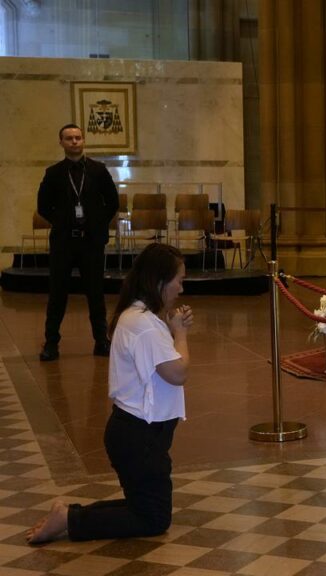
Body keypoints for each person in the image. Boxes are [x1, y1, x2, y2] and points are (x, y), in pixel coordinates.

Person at [26, 243, 192, 545]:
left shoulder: (140, 317)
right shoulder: (143, 324)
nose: (181, 287)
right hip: (138, 436)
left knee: (145, 509)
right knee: (153, 518)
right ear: (159, 281)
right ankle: (70, 519)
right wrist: (180, 334)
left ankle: (69, 515)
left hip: (135, 434)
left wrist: (171, 330)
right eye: (178, 280)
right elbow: (177, 372)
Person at [37, 123, 119, 361]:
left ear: (83, 141)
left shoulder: (99, 170)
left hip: (91, 242)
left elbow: (112, 202)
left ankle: (101, 341)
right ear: (61, 142)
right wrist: (62, 222)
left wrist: (97, 223)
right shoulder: (53, 173)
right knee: (57, 294)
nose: (74, 141)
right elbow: (43, 206)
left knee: (95, 293)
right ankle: (51, 343)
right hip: (63, 243)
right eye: (69, 138)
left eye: (78, 137)